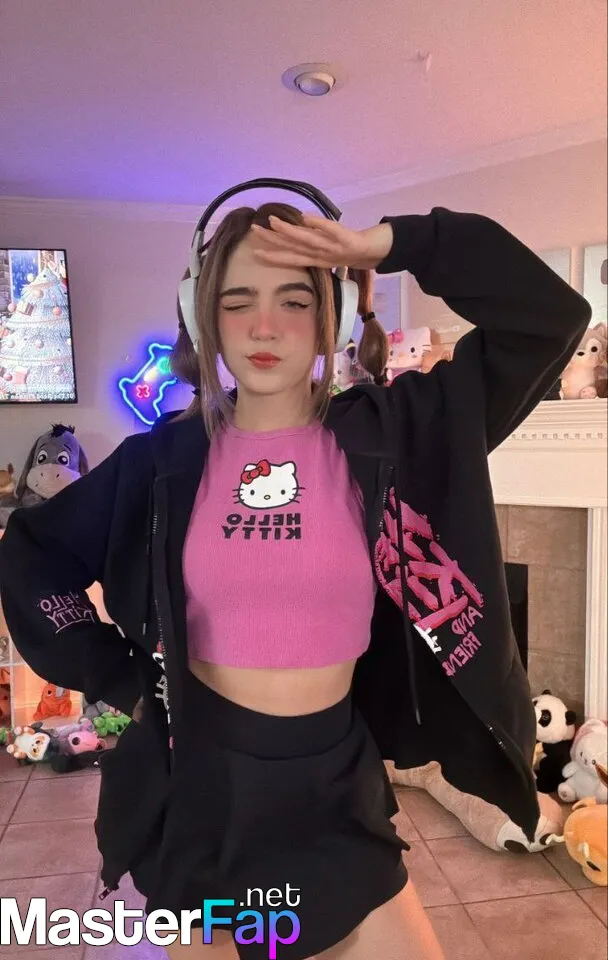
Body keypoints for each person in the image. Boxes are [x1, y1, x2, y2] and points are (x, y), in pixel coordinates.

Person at [0, 180, 590, 960]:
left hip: (337, 787)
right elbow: (32, 554)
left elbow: (548, 318)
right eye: (237, 300)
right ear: (206, 317)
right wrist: (121, 678)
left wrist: (387, 244)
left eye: (295, 299)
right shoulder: (162, 462)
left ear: (329, 316)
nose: (265, 326)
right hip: (206, 799)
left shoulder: (395, 434)